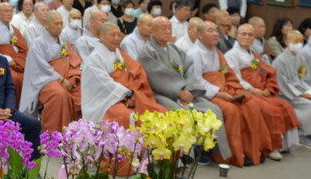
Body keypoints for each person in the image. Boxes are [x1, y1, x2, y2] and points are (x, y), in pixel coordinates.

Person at [137, 17, 231, 162]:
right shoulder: (147, 52)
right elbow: (156, 75)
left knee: (213, 109)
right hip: (161, 93)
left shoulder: (174, 49)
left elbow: (189, 69)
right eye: (163, 28)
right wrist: (179, 92)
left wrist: (189, 91)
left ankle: (208, 149)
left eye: (169, 27)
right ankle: (186, 154)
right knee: (183, 114)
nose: (168, 31)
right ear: (153, 31)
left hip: (186, 91)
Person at [188, 21, 272, 165]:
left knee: (249, 104)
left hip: (224, 90)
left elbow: (228, 75)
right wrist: (219, 94)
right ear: (200, 35)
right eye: (210, 30)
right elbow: (196, 82)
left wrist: (232, 90)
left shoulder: (217, 52)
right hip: (204, 95)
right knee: (231, 110)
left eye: (216, 30)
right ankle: (229, 154)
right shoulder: (194, 53)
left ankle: (251, 150)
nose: (215, 33)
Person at [225, 24, 301, 155]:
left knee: (285, 105)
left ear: (254, 38)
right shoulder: (231, 55)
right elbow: (235, 78)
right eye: (243, 34)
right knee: (270, 110)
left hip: (260, 91)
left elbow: (266, 72)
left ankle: (285, 145)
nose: (247, 37)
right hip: (245, 91)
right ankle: (271, 147)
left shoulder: (254, 54)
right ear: (236, 35)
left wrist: (268, 87)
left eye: (250, 35)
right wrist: (253, 89)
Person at [82, 22, 166, 125]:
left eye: (119, 35)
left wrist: (134, 94)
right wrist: (129, 94)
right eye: (113, 35)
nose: (117, 38)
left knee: (156, 110)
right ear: (101, 36)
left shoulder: (117, 52)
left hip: (121, 95)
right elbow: (105, 84)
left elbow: (129, 74)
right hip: (103, 102)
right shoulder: (94, 59)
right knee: (130, 116)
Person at [19, 11, 82, 134]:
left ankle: (76, 135)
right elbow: (41, 67)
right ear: (46, 25)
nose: (59, 26)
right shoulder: (38, 43)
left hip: (66, 76)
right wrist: (61, 80)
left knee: (81, 93)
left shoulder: (63, 40)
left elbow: (73, 59)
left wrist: (72, 76)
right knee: (59, 95)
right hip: (45, 80)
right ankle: (52, 135)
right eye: (56, 24)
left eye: (61, 23)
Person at [272, 30, 311, 148]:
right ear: (287, 42)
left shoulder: (300, 57)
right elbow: (281, 83)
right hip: (286, 94)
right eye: (296, 41)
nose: (299, 44)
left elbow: (304, 77)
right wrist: (300, 94)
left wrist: (309, 91)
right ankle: (304, 136)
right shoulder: (280, 60)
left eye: (301, 41)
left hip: (301, 88)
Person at [0, 2, 28, 104]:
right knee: (14, 78)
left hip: (17, 63)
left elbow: (24, 49)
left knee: (29, 76)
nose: (9, 14)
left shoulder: (14, 30)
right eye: (6, 11)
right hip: (0, 63)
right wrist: (8, 62)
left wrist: (17, 61)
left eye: (11, 11)